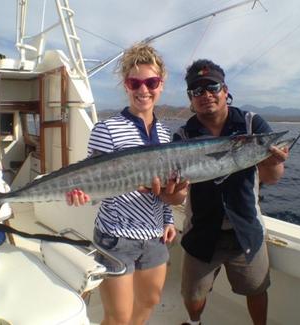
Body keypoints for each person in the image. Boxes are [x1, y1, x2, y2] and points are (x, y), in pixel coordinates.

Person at [66, 42, 188, 325]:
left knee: (149, 302)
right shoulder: (106, 130)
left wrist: (168, 218)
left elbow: (166, 187)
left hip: (155, 236)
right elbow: (92, 181)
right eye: (135, 82)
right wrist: (81, 193)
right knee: (118, 317)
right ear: (126, 84)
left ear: (161, 84)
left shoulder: (165, 135)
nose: (143, 89)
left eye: (151, 82)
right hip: (116, 236)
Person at [174, 59, 289, 325]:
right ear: (191, 99)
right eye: (197, 91)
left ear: (225, 90)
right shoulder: (183, 134)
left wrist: (272, 162)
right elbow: (177, 195)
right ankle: (195, 323)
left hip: (246, 229)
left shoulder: (252, 124)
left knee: (257, 289)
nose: (206, 95)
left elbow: (272, 178)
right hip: (201, 231)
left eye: (212, 87)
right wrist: (170, 191)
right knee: (193, 295)